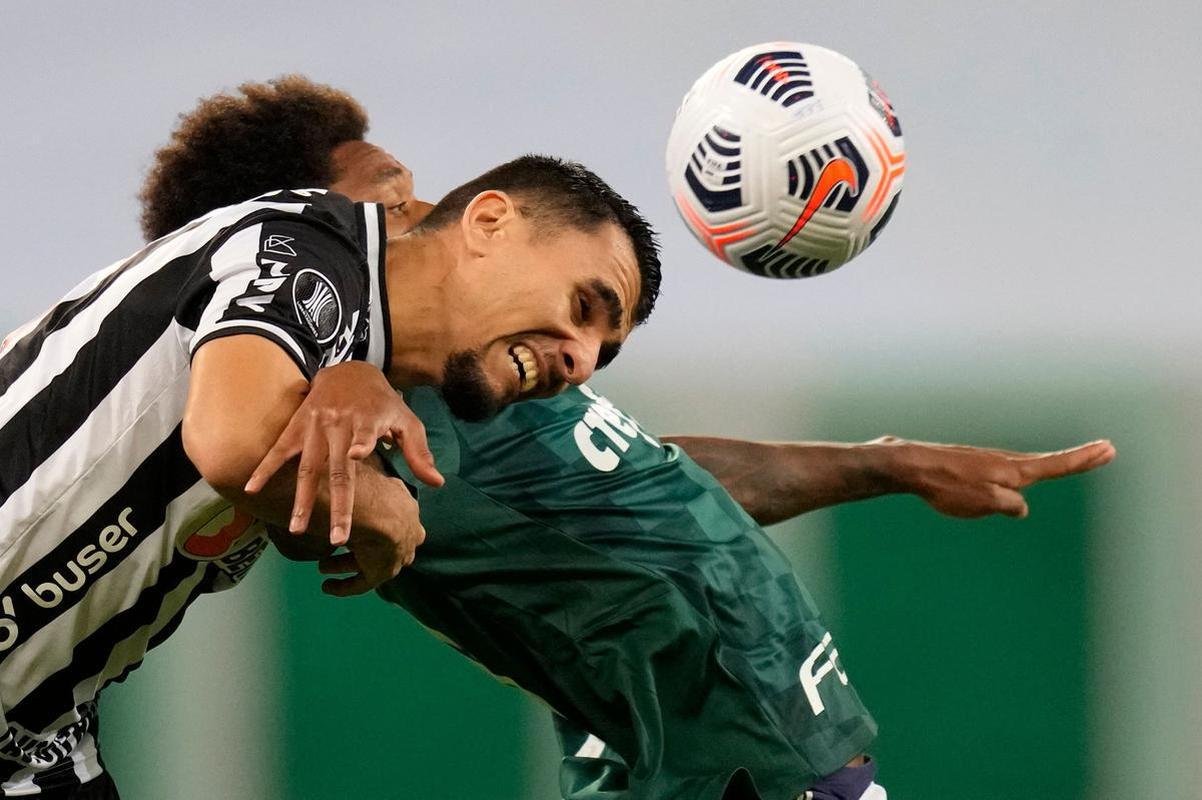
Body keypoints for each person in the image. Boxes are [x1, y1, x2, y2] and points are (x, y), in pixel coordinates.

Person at [134, 76, 1115, 799]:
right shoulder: (333, 363)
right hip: (733, 760)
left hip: (718, 750)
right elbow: (279, 473)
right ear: (284, 226)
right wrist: (341, 385)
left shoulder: (452, 357)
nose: (414, 209)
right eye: (385, 196)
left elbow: (637, 474)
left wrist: (883, 461)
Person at [0, 112, 662, 795]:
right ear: (491, 222)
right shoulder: (303, 241)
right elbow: (235, 442)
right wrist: (385, 509)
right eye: (586, 306)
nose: (581, 362)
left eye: (602, 354)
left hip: (34, 742)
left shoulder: (362, 366)